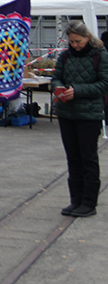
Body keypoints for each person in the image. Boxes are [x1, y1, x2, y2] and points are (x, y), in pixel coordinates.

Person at [52, 20, 108, 218]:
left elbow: (104, 84)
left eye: (78, 41)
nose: (75, 45)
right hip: (67, 114)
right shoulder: (66, 56)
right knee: (73, 158)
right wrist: (59, 88)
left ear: (87, 37)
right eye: (72, 42)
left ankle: (89, 202)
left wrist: (78, 91)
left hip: (89, 114)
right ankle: (75, 200)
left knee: (88, 158)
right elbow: (56, 77)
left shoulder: (100, 56)